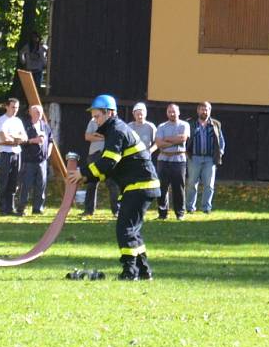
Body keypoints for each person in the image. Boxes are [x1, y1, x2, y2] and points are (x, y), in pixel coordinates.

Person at [68, 95, 160, 281]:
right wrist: (85, 177)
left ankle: (130, 272)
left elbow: (109, 162)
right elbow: (109, 168)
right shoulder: (115, 130)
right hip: (141, 186)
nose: (95, 121)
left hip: (140, 186)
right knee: (132, 229)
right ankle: (143, 270)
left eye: (98, 117)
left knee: (124, 229)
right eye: (93, 117)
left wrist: (82, 172)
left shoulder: (117, 130)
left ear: (109, 113)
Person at [186, 101, 225, 214]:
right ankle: (190, 208)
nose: (205, 111)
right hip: (194, 158)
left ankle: (206, 208)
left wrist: (220, 152)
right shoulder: (190, 123)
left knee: (209, 185)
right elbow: (185, 139)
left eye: (207, 109)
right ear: (198, 110)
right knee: (192, 184)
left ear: (210, 110)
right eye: (202, 109)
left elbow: (221, 140)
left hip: (210, 159)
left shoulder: (216, 124)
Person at [154, 103, 190, 220]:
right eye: (170, 111)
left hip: (179, 160)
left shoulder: (184, 125)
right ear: (167, 113)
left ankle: (180, 213)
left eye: (174, 111)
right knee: (162, 188)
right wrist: (174, 141)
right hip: (163, 160)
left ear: (178, 112)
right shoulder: (161, 126)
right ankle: (162, 213)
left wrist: (167, 140)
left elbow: (183, 138)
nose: (172, 114)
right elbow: (159, 144)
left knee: (178, 188)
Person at [17, 103, 53, 215]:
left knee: (41, 185)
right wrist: (33, 140)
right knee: (26, 185)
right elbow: (20, 141)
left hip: (42, 161)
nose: (39, 114)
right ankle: (21, 208)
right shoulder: (25, 125)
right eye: (36, 112)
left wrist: (49, 153)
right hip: (28, 161)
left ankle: (38, 208)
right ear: (30, 113)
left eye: (40, 112)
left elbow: (51, 140)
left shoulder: (45, 126)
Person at [0, 97, 27, 216]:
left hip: (17, 153)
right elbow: (3, 139)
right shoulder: (1, 121)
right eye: (13, 107)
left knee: (14, 181)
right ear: (6, 106)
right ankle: (1, 208)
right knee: (4, 180)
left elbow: (24, 137)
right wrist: (16, 139)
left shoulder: (18, 121)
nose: (15, 110)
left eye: (17, 108)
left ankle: (10, 207)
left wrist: (14, 138)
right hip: (5, 154)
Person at [82, 114, 120, 217]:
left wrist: (97, 135)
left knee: (112, 183)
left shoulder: (115, 123)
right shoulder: (93, 120)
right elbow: (87, 136)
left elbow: (113, 136)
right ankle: (88, 211)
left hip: (108, 155)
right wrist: (103, 137)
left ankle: (116, 211)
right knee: (91, 183)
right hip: (94, 155)